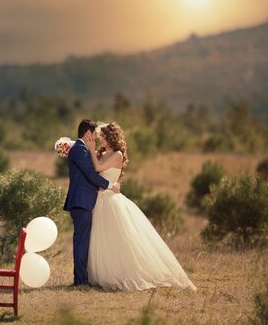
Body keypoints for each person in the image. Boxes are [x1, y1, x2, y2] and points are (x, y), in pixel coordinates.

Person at [83, 122, 196, 291]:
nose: (100, 140)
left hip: (111, 201)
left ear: (110, 137)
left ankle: (125, 274)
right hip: (99, 200)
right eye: (99, 137)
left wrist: (91, 149)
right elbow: (92, 170)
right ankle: (104, 273)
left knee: (119, 239)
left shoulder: (118, 155)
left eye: (102, 137)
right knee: (103, 239)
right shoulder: (103, 153)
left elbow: (98, 168)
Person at [64, 119, 120, 286]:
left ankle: (81, 278)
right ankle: (80, 281)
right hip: (82, 202)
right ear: (87, 134)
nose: (96, 139)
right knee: (82, 242)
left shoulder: (81, 149)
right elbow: (91, 174)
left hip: (85, 202)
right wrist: (110, 185)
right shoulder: (80, 149)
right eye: (95, 135)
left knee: (84, 241)